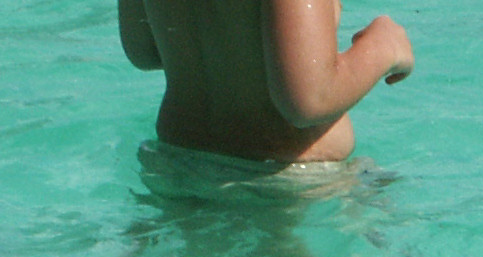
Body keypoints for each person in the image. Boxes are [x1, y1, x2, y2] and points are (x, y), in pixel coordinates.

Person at [119, 0, 413, 165]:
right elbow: (310, 99)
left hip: (176, 164)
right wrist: (384, 46)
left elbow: (144, 50)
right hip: (288, 189)